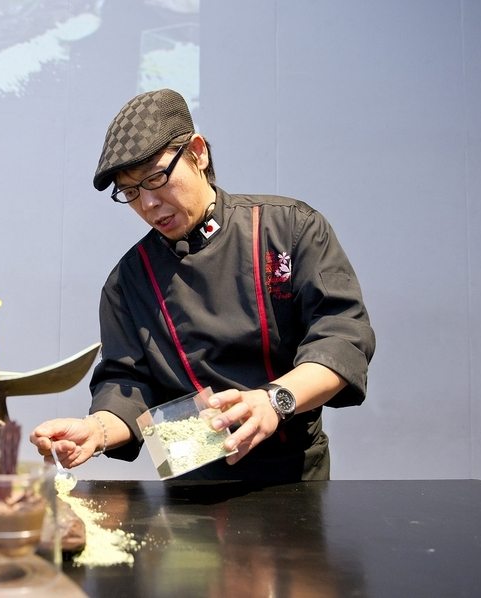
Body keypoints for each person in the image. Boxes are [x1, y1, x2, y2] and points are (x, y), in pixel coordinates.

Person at [30, 88, 375, 481]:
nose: (148, 204)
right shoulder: (128, 281)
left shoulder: (290, 229)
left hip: (294, 473)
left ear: (197, 152)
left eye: (156, 178)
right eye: (130, 192)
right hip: (191, 480)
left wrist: (272, 400)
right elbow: (127, 384)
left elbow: (341, 337)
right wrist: (96, 431)